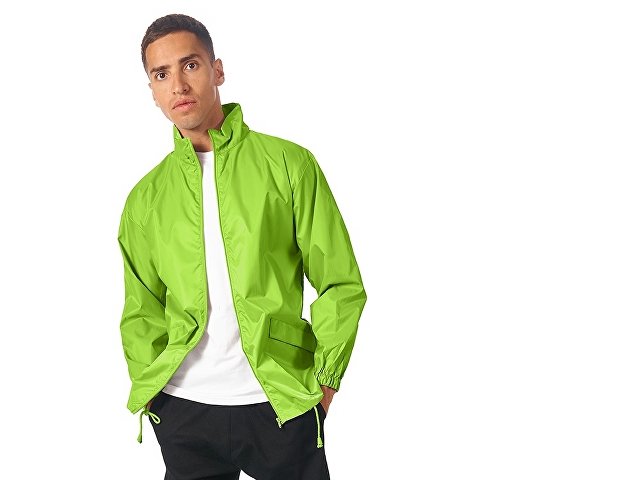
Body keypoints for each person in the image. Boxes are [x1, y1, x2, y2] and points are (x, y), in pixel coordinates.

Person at [117, 12, 367, 480]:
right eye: (161, 74)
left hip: (278, 402)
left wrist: (324, 383)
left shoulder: (289, 165)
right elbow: (141, 309)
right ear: (152, 91)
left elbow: (340, 283)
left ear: (217, 70)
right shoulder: (145, 199)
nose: (178, 85)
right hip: (183, 408)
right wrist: (152, 392)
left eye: (190, 65)